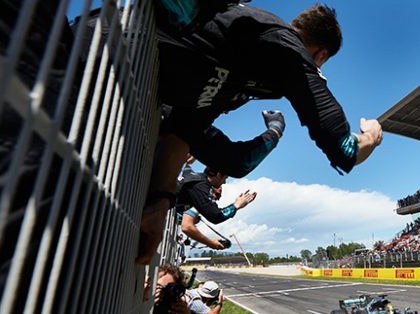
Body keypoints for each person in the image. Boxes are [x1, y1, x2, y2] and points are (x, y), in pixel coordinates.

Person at [138, 3, 383, 263]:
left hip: (136, 86)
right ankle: (276, 130)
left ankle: (274, 131)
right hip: (125, 69)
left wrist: (159, 203)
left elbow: (186, 126)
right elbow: (345, 151)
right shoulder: (287, 48)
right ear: (321, 56)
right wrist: (371, 136)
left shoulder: (249, 47)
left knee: (236, 163)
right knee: (238, 162)